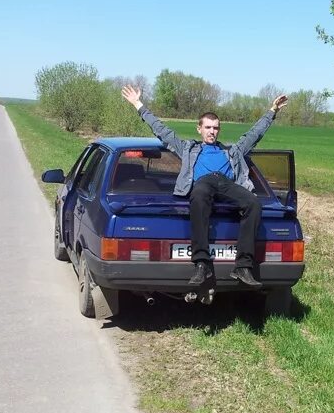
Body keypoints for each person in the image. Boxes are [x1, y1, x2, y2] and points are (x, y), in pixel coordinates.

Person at [121, 85, 288, 287]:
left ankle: (243, 267)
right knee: (199, 194)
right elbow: (161, 130)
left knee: (253, 203)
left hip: (225, 184)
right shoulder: (188, 149)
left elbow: (254, 134)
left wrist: (273, 111)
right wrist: (138, 104)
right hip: (203, 184)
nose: (212, 131)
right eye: (208, 127)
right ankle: (202, 264)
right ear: (199, 129)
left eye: (216, 128)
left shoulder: (232, 151)